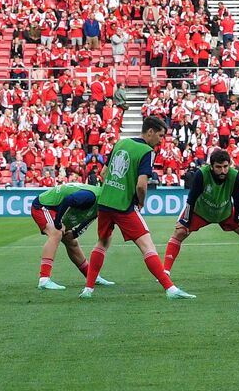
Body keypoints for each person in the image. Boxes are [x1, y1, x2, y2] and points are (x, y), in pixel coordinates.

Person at [82, 116, 195, 299]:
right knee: (147, 245)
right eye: (160, 135)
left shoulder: (120, 143)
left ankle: (88, 289)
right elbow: (142, 185)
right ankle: (170, 289)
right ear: (149, 132)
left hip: (105, 202)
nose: (161, 140)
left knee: (102, 242)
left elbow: (103, 172)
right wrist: (140, 202)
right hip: (124, 205)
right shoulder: (147, 151)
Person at [163, 149, 239, 279]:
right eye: (218, 167)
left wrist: (238, 217)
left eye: (225, 166)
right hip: (200, 211)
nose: (223, 170)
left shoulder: (234, 175)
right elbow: (191, 199)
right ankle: (165, 272)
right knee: (179, 232)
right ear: (211, 166)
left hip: (224, 211)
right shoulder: (201, 174)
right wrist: (186, 221)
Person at [31, 183, 113, 291]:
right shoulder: (91, 196)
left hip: (56, 208)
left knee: (72, 242)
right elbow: (68, 200)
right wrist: (58, 221)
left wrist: (75, 233)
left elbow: (90, 217)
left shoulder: (102, 202)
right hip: (43, 206)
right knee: (56, 233)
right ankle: (44, 279)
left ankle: (91, 277)